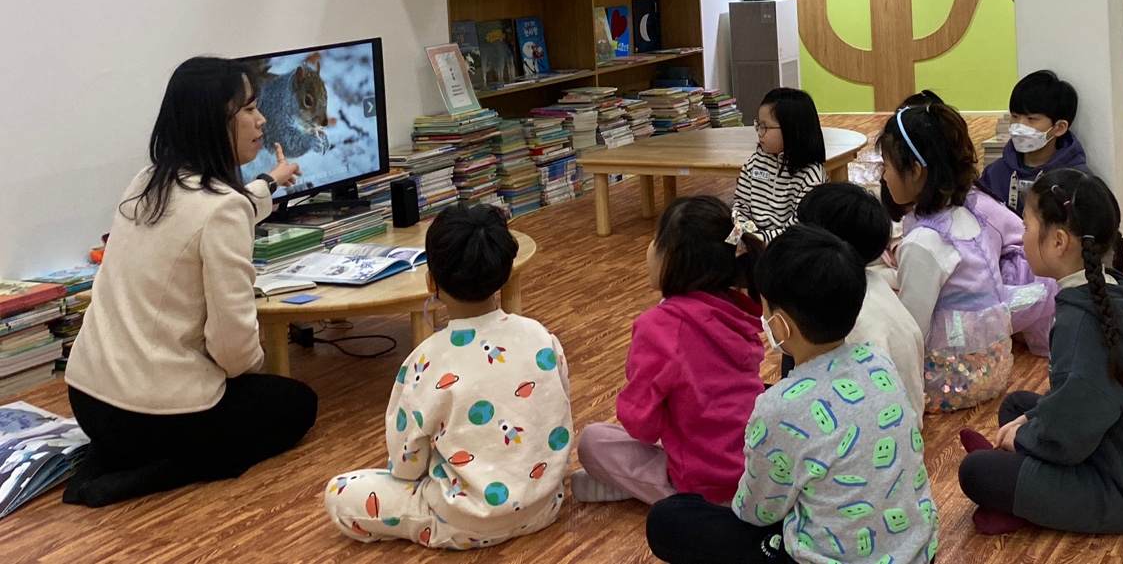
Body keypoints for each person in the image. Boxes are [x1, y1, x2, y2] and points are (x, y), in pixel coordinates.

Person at [63, 57, 317, 507]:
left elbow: (219, 209)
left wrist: (270, 183)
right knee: (297, 405)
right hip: (149, 414)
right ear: (213, 122)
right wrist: (256, 364)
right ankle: (151, 474)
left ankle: (112, 458)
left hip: (87, 397)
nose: (261, 120)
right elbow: (234, 353)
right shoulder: (223, 210)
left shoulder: (146, 181)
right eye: (249, 109)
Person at [647, 226, 940, 564]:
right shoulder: (879, 361)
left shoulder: (778, 408)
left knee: (667, 520)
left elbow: (755, 511)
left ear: (780, 325)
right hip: (918, 553)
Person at [323, 203, 572, 549]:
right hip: (545, 506)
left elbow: (406, 466)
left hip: (463, 519)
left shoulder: (425, 360)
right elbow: (555, 417)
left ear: (431, 281)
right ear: (505, 272)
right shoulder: (541, 337)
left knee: (339, 493)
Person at [958, 169, 1123, 536]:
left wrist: (1025, 438)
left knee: (976, 473)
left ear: (1058, 241)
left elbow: (1073, 429)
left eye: (1026, 225)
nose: (1022, 234)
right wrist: (1029, 422)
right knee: (1016, 407)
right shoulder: (1109, 287)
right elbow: (1078, 398)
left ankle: (1021, 504)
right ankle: (1025, 495)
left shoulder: (1081, 321)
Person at [574, 196, 765, 506]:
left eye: (654, 240)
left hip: (705, 481)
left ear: (671, 255)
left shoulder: (660, 326)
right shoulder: (738, 312)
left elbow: (641, 426)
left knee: (593, 441)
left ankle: (659, 492)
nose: (649, 249)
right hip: (757, 467)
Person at [879, 98, 1056, 412]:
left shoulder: (923, 241)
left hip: (947, 381)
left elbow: (911, 331)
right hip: (993, 370)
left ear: (915, 171)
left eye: (887, 166)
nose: (882, 176)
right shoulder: (970, 213)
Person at [795, 181, 926, 417]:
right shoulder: (872, 283)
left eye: (803, 229)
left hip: (875, 425)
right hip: (903, 419)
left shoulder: (844, 307)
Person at [977, 70, 1091, 215]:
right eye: (1015, 116)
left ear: (1059, 128)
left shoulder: (1078, 182)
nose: (1019, 126)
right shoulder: (995, 173)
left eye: (1031, 119)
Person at [733, 87, 826, 242]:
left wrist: (759, 241)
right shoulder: (754, 163)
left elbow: (800, 227)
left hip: (786, 247)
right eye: (758, 125)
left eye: (765, 127)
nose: (759, 132)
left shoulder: (811, 176)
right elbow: (740, 207)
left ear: (792, 130)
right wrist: (744, 235)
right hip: (751, 241)